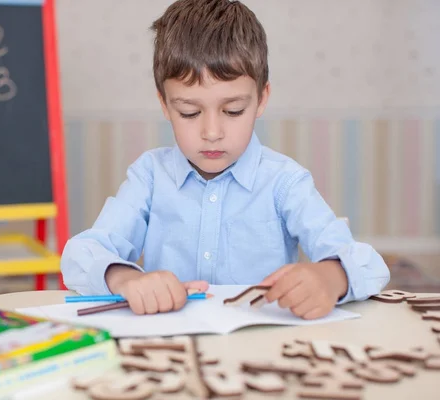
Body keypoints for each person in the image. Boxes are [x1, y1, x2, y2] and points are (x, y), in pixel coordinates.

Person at [60, 0, 390, 320]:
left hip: (264, 350)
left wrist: (331, 278)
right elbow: (81, 253)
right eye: (189, 112)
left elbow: (368, 263)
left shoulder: (284, 181)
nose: (212, 132)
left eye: (233, 111)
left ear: (261, 100)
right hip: (173, 348)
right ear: (164, 104)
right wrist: (125, 279)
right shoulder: (149, 176)